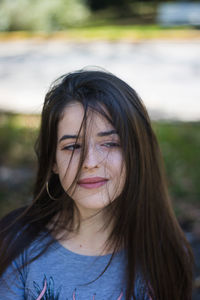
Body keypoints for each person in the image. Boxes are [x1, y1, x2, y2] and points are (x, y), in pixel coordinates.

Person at [0, 68, 194, 300]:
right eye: (72, 146)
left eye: (110, 143)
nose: (90, 163)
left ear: (136, 152)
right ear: (53, 161)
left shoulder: (166, 252)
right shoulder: (16, 243)